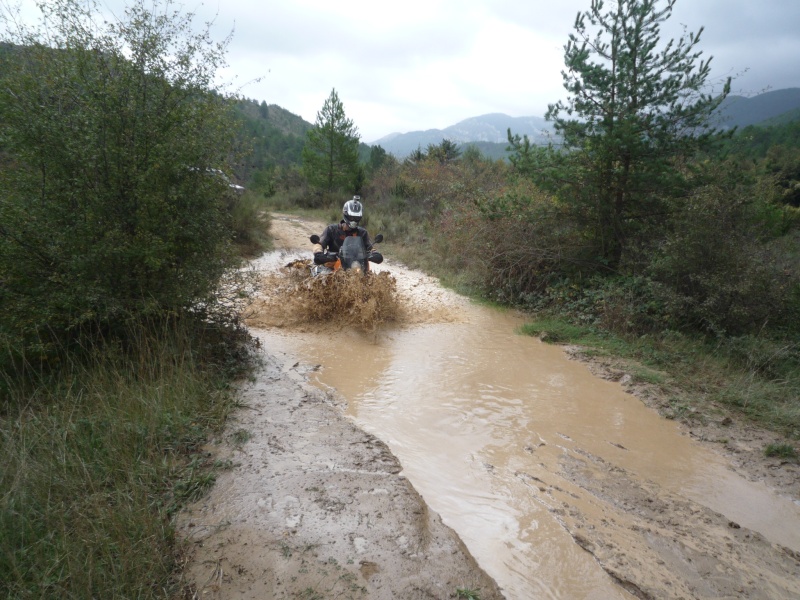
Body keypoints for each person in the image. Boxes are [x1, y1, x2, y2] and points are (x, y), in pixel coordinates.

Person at [312, 196, 383, 265]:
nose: (354, 220)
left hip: (356, 265)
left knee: (371, 276)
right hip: (333, 265)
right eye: (352, 217)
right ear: (346, 215)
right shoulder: (331, 229)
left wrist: (375, 254)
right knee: (324, 274)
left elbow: (370, 247)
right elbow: (319, 244)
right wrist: (318, 253)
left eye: (357, 218)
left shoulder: (362, 233)